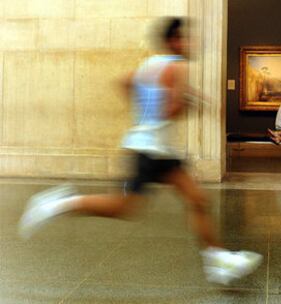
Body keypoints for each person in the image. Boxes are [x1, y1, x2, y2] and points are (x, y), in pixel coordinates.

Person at [18, 17, 262, 286]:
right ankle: (56, 203)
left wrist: (147, 114)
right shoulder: (178, 67)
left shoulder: (153, 64)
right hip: (150, 151)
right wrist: (189, 104)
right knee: (124, 207)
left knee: (197, 199)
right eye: (187, 37)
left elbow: (125, 82)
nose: (192, 42)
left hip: (158, 149)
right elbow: (171, 109)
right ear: (174, 41)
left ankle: (219, 261)